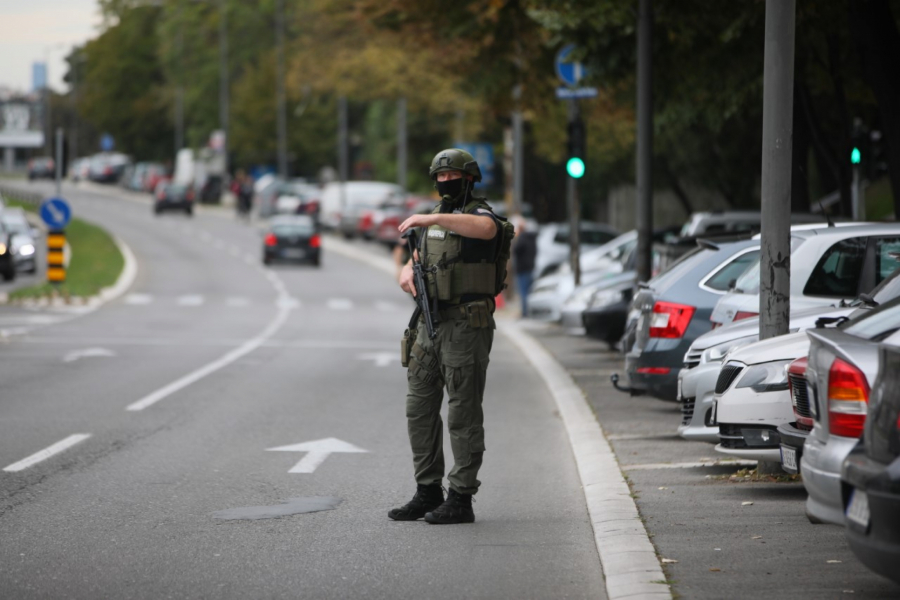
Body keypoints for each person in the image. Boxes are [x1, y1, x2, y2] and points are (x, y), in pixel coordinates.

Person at [390, 148, 504, 525]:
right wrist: (407, 270)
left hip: (465, 327)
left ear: (468, 178)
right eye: (438, 178)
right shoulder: (433, 224)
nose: (444, 183)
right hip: (429, 323)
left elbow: (487, 229)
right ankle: (427, 491)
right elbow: (420, 257)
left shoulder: (480, 216)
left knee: (462, 413)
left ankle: (461, 497)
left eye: (451, 176)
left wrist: (429, 215)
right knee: (419, 409)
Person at [512, 216, 537, 318]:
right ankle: (529, 311)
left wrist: (516, 238)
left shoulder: (522, 238)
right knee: (528, 292)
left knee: (523, 292)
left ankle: (525, 313)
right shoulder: (532, 238)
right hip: (530, 267)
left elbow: (516, 250)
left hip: (522, 269)